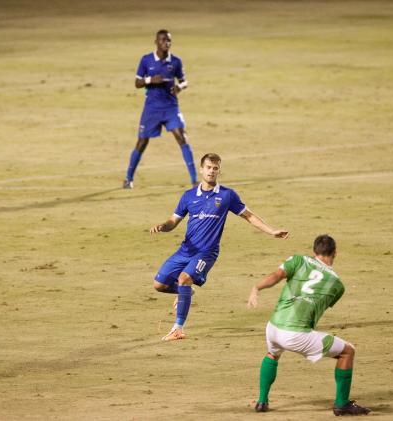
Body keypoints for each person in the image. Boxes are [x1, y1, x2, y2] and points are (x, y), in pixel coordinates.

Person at [150, 153, 289, 341]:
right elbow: (172, 221)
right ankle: (186, 292)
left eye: (215, 168)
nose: (211, 171)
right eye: (208, 167)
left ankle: (178, 329)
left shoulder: (226, 195)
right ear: (201, 169)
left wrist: (271, 231)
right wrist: (162, 227)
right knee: (159, 284)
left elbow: (248, 215)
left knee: (184, 278)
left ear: (219, 171)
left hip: (207, 252)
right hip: (185, 250)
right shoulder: (189, 196)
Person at [247, 234, 371, 416]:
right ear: (335, 253)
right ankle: (342, 404)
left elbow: (276, 275)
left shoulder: (297, 260)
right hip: (296, 334)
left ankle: (262, 401)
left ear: (314, 252)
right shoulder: (337, 285)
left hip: (273, 327)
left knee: (273, 354)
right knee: (347, 351)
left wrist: (256, 288)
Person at [124, 29, 197, 189]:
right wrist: (150, 80)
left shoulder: (176, 62)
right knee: (142, 142)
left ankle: (194, 180)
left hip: (171, 107)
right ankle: (128, 179)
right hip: (152, 109)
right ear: (156, 42)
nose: (167, 43)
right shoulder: (146, 60)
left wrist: (179, 87)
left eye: (169, 40)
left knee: (182, 138)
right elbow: (137, 83)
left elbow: (184, 81)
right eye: (163, 40)